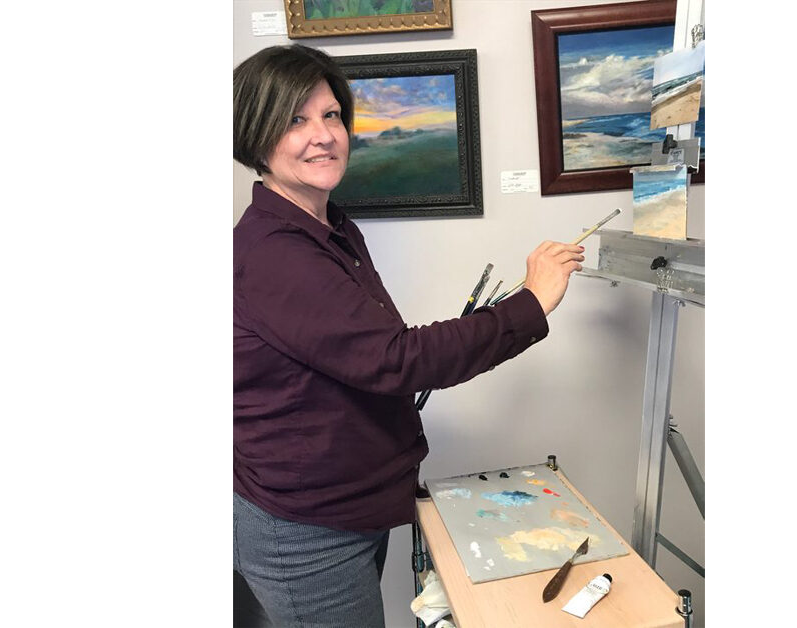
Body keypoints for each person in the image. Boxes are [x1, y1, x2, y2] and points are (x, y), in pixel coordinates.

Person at [233, 44, 584, 628]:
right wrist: (530, 303)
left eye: (331, 115)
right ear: (255, 134)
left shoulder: (329, 226)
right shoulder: (273, 252)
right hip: (305, 530)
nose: (322, 135)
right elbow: (396, 359)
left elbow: (366, 353)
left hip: (347, 505)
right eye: (295, 120)